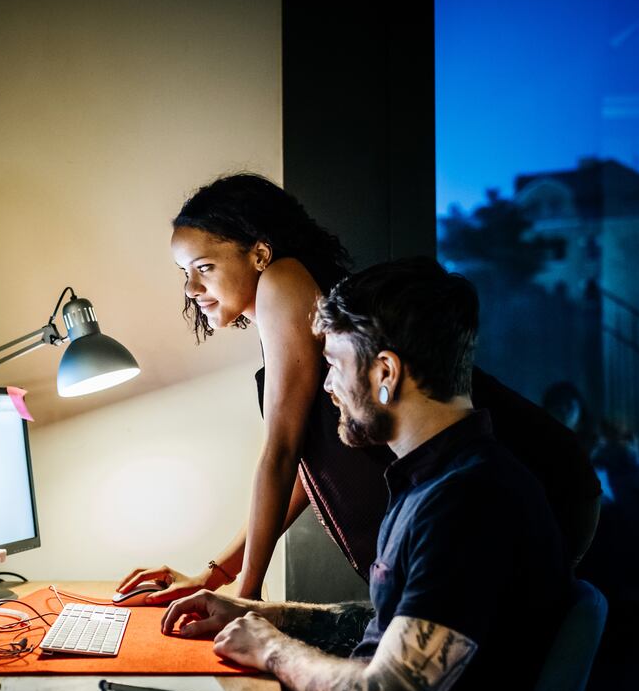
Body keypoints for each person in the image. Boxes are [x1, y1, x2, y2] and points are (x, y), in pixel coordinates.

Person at [119, 174, 599, 604]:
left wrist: (244, 595)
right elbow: (305, 466)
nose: (190, 288)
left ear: (259, 253)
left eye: (202, 267)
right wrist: (218, 576)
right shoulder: (304, 303)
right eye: (185, 273)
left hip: (537, 473)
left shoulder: (282, 281)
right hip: (539, 487)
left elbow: (282, 451)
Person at [162, 259, 570, 691]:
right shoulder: (437, 480)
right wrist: (260, 615)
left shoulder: (466, 503)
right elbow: (384, 626)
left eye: (334, 364)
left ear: (385, 374)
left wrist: (271, 648)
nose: (329, 387)